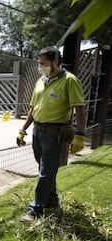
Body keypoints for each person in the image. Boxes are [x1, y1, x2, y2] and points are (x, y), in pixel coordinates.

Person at [16, 46, 86, 223]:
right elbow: (33, 108)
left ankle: (35, 210)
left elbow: (80, 108)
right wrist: (23, 129)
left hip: (55, 133)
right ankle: (52, 200)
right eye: (39, 64)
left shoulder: (70, 81)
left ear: (55, 61)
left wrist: (80, 134)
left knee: (45, 172)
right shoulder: (41, 81)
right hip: (37, 132)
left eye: (43, 63)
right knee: (44, 168)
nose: (40, 67)